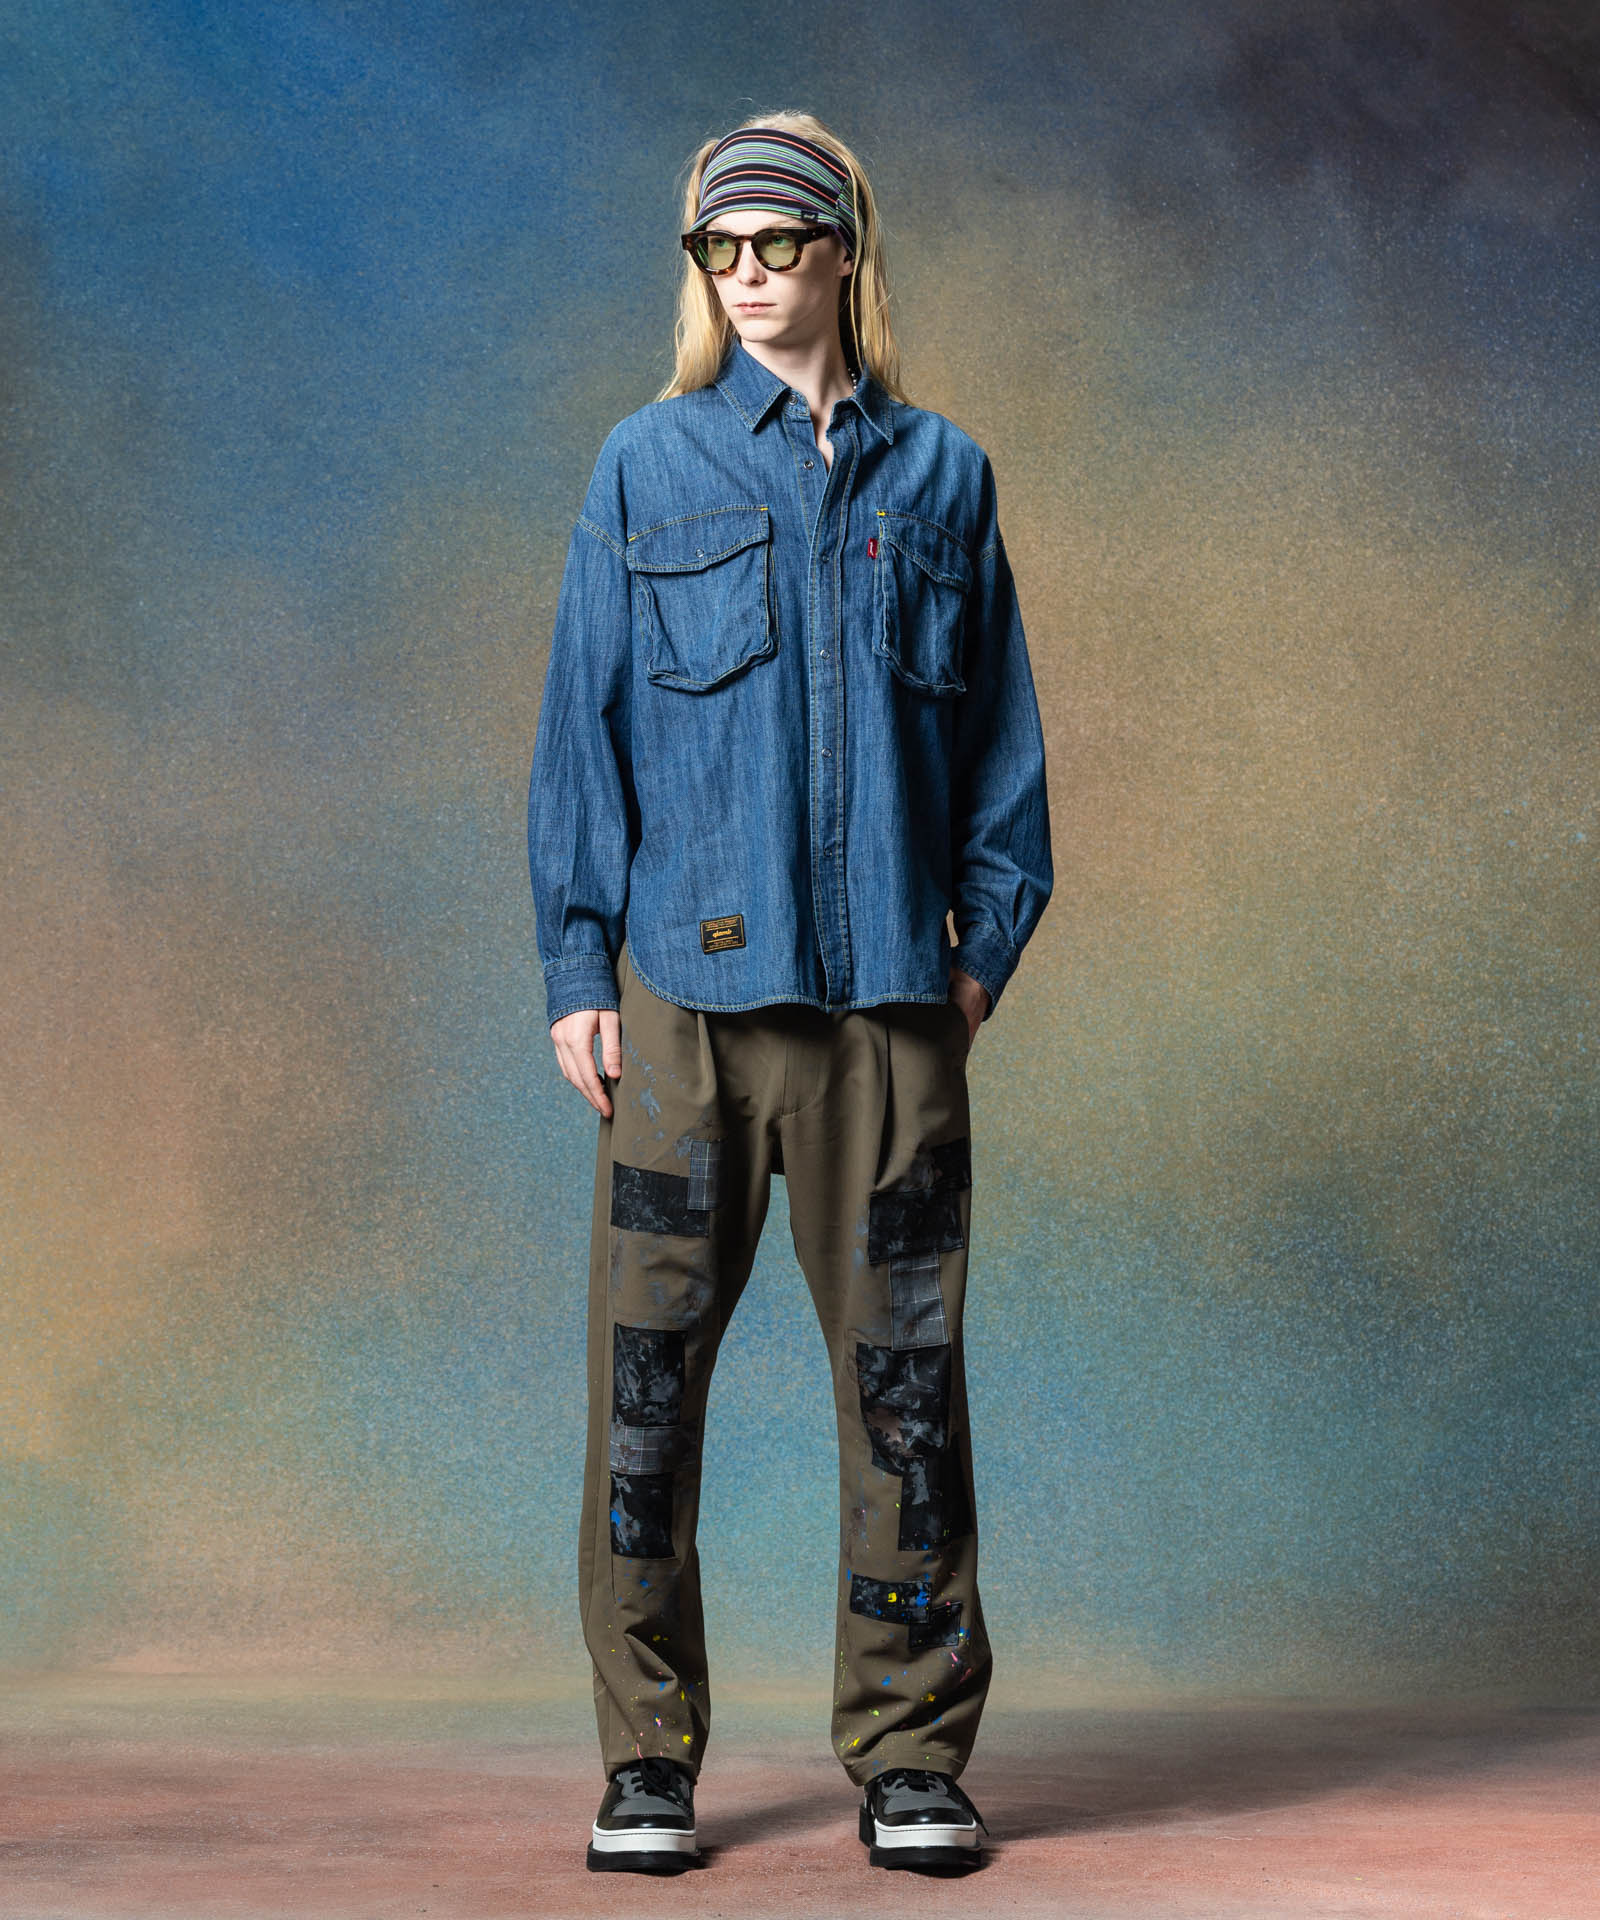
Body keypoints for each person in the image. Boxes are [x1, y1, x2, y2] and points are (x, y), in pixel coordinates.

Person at [527, 110, 1052, 1876]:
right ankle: (645, 1763)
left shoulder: (945, 478)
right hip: (682, 1015)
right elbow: (582, 727)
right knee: (645, 1395)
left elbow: (1002, 756)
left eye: (777, 244)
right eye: (719, 250)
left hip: (892, 1029)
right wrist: (576, 963)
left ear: (843, 251)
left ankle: (911, 1754)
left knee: (908, 1398)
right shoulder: (645, 464)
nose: (747, 277)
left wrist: (977, 954)